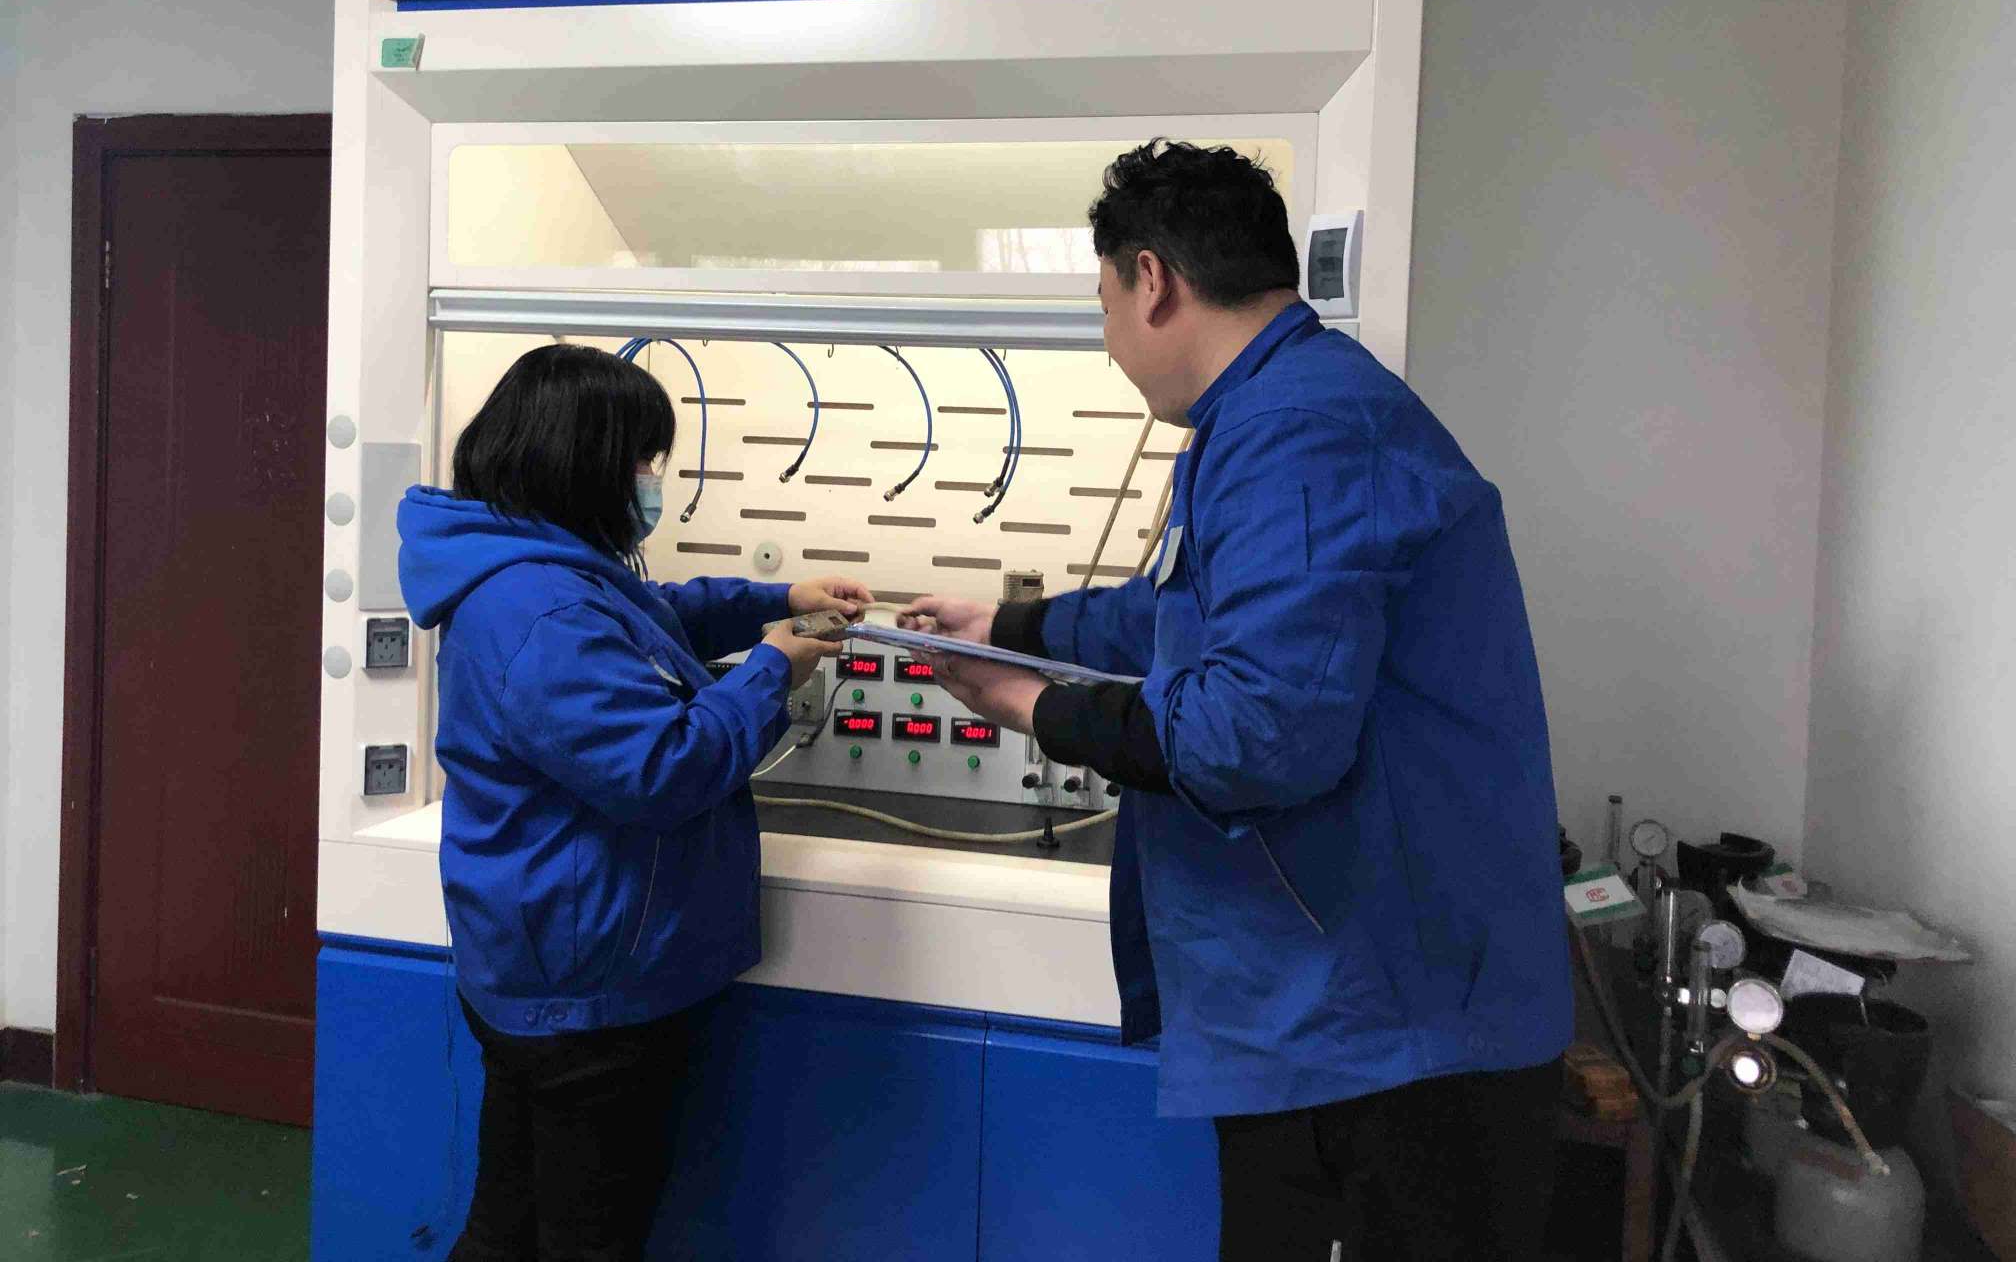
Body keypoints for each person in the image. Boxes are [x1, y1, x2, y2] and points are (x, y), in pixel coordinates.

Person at [905, 141, 1572, 1261]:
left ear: (1152, 279)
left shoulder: (1298, 429)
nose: (1110, 340)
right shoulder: (1272, 415)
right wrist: (1009, 627)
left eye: (1104, 303)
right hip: (1345, 1015)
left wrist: (1030, 708)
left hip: (1389, 1039)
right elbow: (1177, 615)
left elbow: (1253, 735)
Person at [396, 343, 866, 1262]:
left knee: (509, 1226)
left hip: (545, 966)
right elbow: (665, 771)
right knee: (584, 1240)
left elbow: (656, 616)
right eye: (643, 460)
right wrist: (773, 668)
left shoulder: (535, 570)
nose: (650, 481)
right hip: (588, 996)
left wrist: (779, 598)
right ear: (586, 463)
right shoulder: (544, 613)